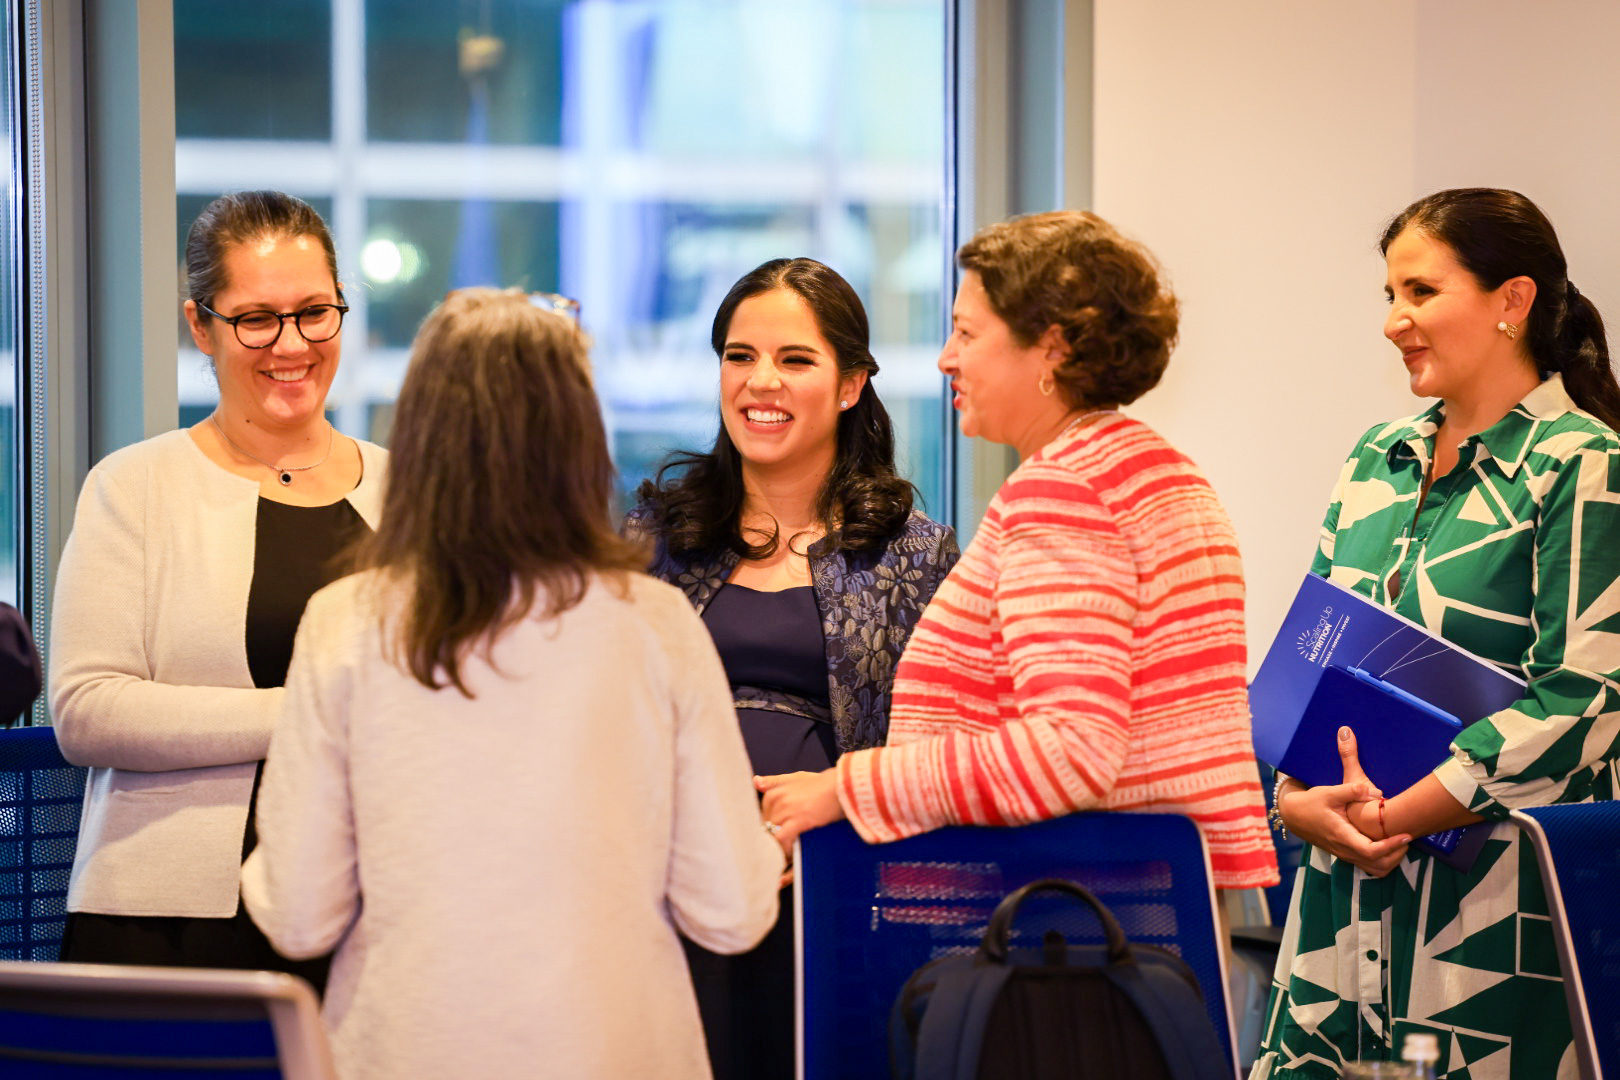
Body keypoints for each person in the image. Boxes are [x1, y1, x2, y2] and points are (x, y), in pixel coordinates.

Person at [241, 287, 782, 1080]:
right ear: (577, 436)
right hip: (618, 1048)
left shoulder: (344, 623)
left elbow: (297, 914)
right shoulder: (654, 624)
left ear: (420, 433)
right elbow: (732, 910)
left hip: (405, 1048)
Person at [760, 211, 1278, 892]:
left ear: (1053, 349)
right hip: (1148, 918)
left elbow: (1070, 754)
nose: (947, 357)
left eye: (967, 333)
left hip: (1067, 932)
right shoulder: (1160, 473)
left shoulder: (1064, 489)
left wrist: (847, 788)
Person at [1250, 189, 1620, 1079]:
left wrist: (1397, 816)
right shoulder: (1376, 457)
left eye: (1420, 291)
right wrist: (1294, 803)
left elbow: (1587, 703)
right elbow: (1316, 660)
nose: (1394, 321)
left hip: (1486, 924)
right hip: (1338, 915)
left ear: (1512, 300)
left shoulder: (1585, 465)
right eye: (1389, 296)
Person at [627, 257, 957, 1080]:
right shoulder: (654, 535)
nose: (759, 382)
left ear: (850, 385)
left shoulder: (914, 554)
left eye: (794, 360)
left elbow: (933, 745)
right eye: (739, 357)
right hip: (660, 887)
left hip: (838, 893)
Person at [49, 191, 382, 986]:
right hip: (167, 926)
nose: (292, 344)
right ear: (200, 325)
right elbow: (86, 710)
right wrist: (312, 709)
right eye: (256, 319)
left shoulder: (411, 490)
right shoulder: (134, 487)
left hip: (373, 912)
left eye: (315, 313)